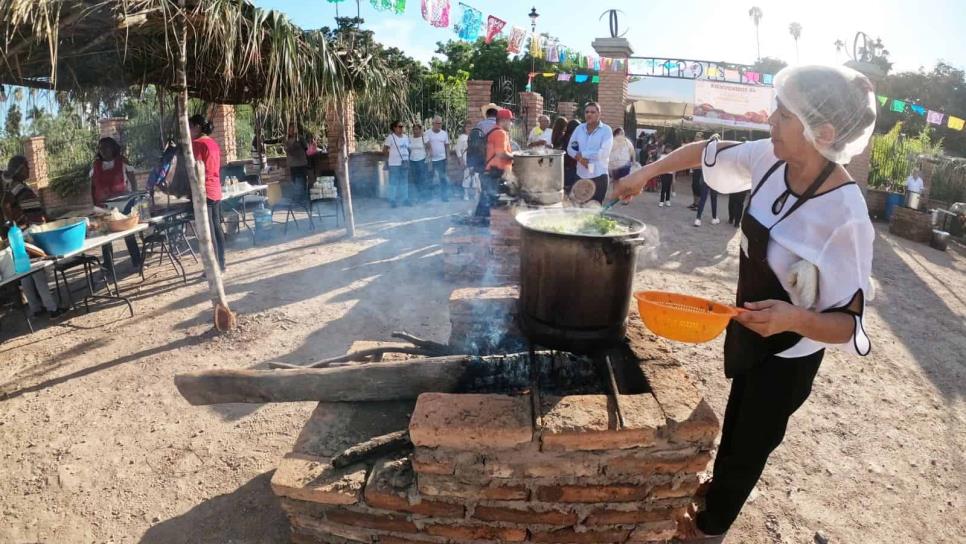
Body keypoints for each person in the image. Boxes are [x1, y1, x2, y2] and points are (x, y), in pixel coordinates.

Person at [614, 65, 877, 540]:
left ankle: (709, 530)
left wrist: (791, 318)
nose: (770, 122)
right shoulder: (771, 159)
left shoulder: (846, 216)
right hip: (751, 326)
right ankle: (718, 492)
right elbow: (705, 151)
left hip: (789, 352)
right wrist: (646, 172)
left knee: (750, 443)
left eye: (783, 116)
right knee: (736, 422)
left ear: (823, 133)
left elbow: (847, 326)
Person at [1, 156, 63, 319]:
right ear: (19, 169)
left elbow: (14, 206)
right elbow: (8, 205)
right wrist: (15, 223)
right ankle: (52, 309)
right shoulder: (17, 188)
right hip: (28, 232)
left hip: (23, 232)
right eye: (26, 166)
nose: (29, 169)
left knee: (27, 271)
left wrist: (13, 224)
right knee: (38, 269)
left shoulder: (15, 187)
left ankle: (36, 308)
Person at [89, 137, 142, 272]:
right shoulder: (95, 165)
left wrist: (135, 198)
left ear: (113, 148)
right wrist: (94, 206)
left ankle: (137, 261)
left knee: (128, 233)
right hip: (103, 207)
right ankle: (108, 267)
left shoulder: (123, 161)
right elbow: (93, 187)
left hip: (123, 204)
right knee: (105, 237)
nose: (103, 150)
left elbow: (133, 181)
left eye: (106, 147)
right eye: (100, 148)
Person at [189, 114, 226, 272]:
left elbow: (196, 168)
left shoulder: (197, 144)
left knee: (209, 231)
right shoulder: (213, 143)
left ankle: (214, 268)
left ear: (197, 127)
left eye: (190, 127)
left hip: (205, 190)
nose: (189, 130)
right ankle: (222, 265)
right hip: (216, 189)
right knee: (217, 227)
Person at [566, 102, 613, 204]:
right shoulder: (579, 129)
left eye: (593, 112)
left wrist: (582, 154)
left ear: (599, 114)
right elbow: (570, 148)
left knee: (594, 210)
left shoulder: (606, 130)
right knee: (578, 209)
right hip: (581, 176)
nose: (589, 114)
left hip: (598, 176)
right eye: (587, 112)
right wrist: (580, 159)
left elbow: (603, 153)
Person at [474, 108, 514, 219]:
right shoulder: (500, 133)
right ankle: (482, 225)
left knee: (486, 198)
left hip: (491, 171)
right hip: (494, 172)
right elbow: (501, 153)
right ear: (504, 120)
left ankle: (479, 221)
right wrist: (515, 156)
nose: (511, 123)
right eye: (510, 121)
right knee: (490, 198)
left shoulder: (494, 131)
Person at [382, 120, 411, 208]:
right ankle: (392, 200)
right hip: (394, 163)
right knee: (393, 182)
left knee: (404, 182)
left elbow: (409, 148)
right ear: (394, 128)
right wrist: (388, 159)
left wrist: (407, 158)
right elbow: (385, 150)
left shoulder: (406, 137)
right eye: (399, 126)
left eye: (402, 126)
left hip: (404, 162)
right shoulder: (390, 137)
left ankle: (405, 199)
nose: (402, 128)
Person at [425, 116, 451, 202]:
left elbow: (447, 146)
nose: (439, 125)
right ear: (433, 123)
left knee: (443, 178)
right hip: (431, 160)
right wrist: (429, 151)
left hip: (441, 159)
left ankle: (444, 196)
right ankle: (428, 196)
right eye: (437, 123)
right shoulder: (427, 133)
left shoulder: (444, 133)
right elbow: (426, 145)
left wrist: (448, 157)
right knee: (429, 178)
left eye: (440, 123)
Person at [454, 124, 478, 201]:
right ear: (464, 128)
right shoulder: (461, 138)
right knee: (466, 177)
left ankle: (476, 195)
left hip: (474, 159)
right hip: (465, 159)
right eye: (468, 126)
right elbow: (458, 150)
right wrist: (461, 161)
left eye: (471, 127)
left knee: (476, 177)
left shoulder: (475, 137)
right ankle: (466, 195)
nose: (469, 128)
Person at [558, 119, 580, 193]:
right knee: (570, 188)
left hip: (565, 165)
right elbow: (576, 151)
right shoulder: (573, 139)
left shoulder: (565, 136)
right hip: (571, 166)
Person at [408, 123, 428, 202]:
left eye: (417, 129)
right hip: (412, 160)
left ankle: (423, 196)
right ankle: (418, 194)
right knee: (415, 179)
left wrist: (428, 157)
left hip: (422, 160)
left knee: (422, 178)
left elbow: (429, 147)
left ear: (420, 130)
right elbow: (408, 149)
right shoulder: (410, 138)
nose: (415, 131)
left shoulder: (424, 138)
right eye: (414, 129)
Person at [689, 132, 706, 209]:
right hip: (694, 168)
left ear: (702, 138)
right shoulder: (694, 146)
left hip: (700, 169)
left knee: (698, 186)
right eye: (696, 136)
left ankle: (698, 204)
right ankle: (695, 203)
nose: (696, 138)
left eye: (698, 137)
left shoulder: (703, 146)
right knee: (694, 186)